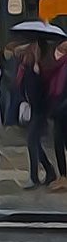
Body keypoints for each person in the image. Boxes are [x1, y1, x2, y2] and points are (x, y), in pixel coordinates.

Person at [19, 43, 56, 189]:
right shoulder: (28, 68)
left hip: (40, 111)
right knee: (35, 143)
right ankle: (49, 170)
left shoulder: (39, 69)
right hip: (35, 110)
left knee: (32, 142)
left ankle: (34, 177)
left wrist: (38, 74)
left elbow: (40, 92)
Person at [44, 41, 67, 190]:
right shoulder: (59, 67)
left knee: (59, 142)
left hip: (62, 111)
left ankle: (63, 177)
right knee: (60, 143)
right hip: (59, 111)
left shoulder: (64, 67)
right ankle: (63, 176)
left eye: (58, 51)